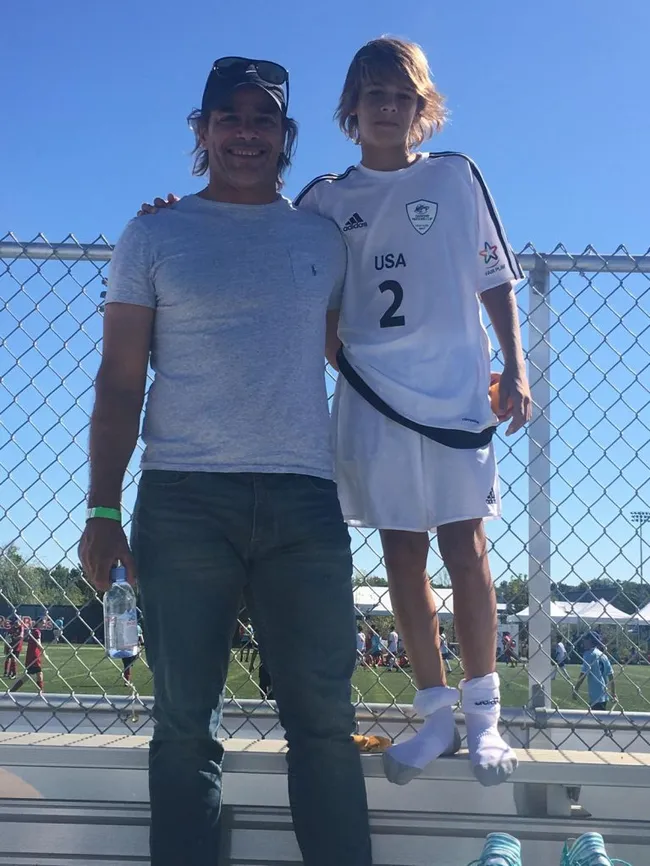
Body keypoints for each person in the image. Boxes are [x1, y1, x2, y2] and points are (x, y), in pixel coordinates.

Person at [78, 57, 371, 866]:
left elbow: (358, 354)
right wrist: (103, 509)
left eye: (263, 118)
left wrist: (461, 369)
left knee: (323, 722)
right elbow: (120, 379)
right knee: (184, 726)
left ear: (285, 135)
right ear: (202, 131)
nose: (246, 132)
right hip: (184, 502)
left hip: (304, 504)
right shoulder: (153, 235)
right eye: (229, 117)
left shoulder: (322, 239)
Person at [294, 36, 531, 788]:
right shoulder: (325, 198)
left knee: (467, 547)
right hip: (376, 402)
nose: (388, 108)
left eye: (403, 97)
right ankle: (435, 716)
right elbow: (308, 292)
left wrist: (515, 366)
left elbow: (495, 278)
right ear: (352, 107)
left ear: (421, 108)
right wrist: (348, 363)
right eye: (375, 95)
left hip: (454, 396)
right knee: (402, 554)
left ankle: (485, 716)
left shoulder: (454, 176)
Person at [573, 631, 617, 711]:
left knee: (596, 716)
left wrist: (576, 689)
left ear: (590, 640)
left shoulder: (589, 654)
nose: (583, 641)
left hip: (595, 694)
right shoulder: (603, 655)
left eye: (585, 639)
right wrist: (613, 693)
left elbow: (583, 674)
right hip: (604, 693)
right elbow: (611, 675)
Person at [10, 620, 44, 693]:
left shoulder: (33, 631)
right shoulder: (37, 631)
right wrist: (43, 651)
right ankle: (41, 692)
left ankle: (12, 691)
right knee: (38, 673)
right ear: (38, 623)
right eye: (42, 623)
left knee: (30, 675)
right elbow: (38, 643)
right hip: (34, 656)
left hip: (31, 655)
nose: (44, 624)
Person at [3, 616, 24, 680]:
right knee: (8, 658)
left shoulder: (21, 627)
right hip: (10, 646)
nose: (16, 623)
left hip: (17, 646)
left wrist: (14, 638)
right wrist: (6, 645)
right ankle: (7, 672)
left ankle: (14, 673)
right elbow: (7, 638)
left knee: (13, 659)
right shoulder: (11, 628)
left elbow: (21, 636)